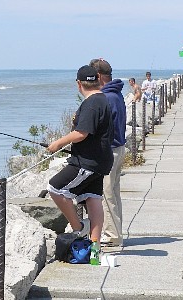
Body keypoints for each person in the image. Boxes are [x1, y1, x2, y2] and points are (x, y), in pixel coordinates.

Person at [47, 65, 114, 244]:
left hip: (87, 162)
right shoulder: (103, 100)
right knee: (92, 199)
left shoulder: (91, 103)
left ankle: (79, 228)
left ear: (79, 84)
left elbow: (81, 133)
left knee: (56, 188)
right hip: (101, 160)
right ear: (99, 80)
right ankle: (94, 248)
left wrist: (58, 143)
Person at [89, 58, 126, 247]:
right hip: (119, 148)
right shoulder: (116, 93)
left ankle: (111, 235)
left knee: (106, 194)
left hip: (111, 151)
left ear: (99, 76)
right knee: (114, 193)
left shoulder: (107, 97)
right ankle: (116, 232)